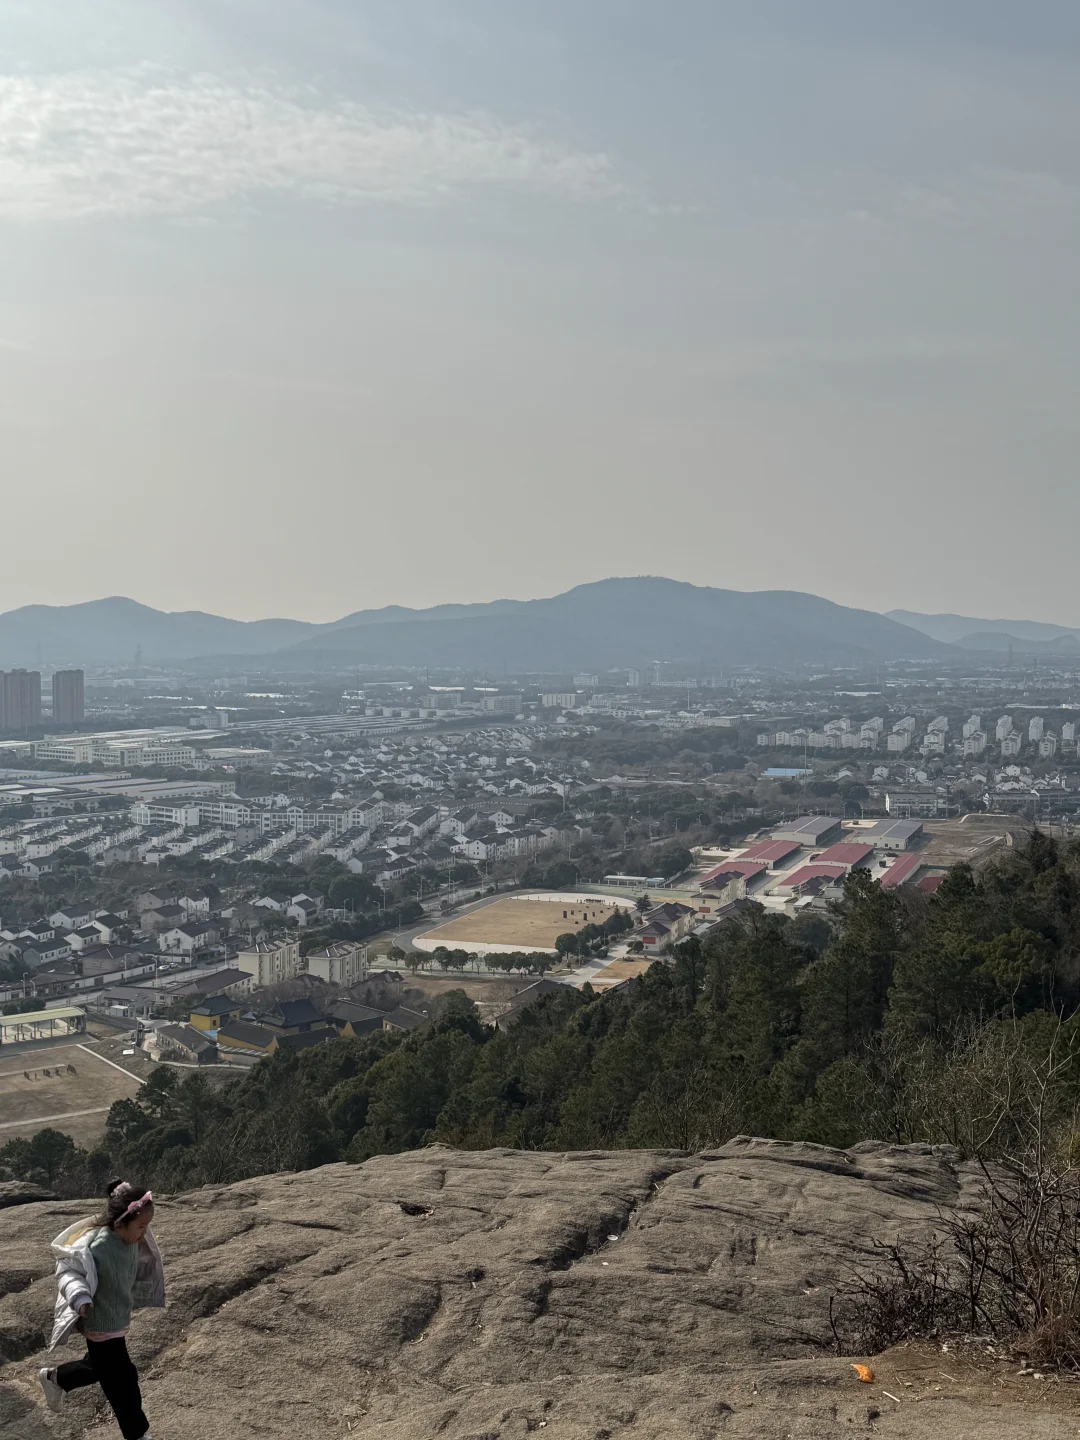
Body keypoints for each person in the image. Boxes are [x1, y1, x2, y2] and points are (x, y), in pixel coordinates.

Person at [38, 1179, 165, 1440]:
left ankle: (56, 1378)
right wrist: (80, 1295)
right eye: (141, 1226)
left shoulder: (130, 1237)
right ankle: (137, 1434)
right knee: (122, 1382)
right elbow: (68, 1272)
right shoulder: (97, 1248)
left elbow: (140, 1253)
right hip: (100, 1323)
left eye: (146, 1226)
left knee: (100, 1367)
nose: (144, 1233)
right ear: (119, 1223)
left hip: (116, 1321)